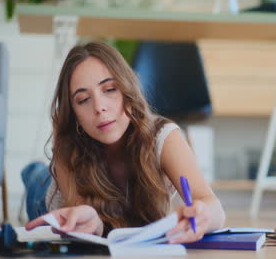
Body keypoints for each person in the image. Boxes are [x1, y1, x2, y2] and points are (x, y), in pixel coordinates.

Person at [22, 41, 225, 244]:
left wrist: (203, 214)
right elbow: (88, 225)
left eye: (109, 89)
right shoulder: (68, 147)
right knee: (36, 178)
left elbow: (214, 208)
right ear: (74, 115)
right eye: (83, 99)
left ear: (128, 90)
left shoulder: (164, 137)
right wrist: (91, 221)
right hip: (45, 199)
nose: (99, 107)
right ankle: (33, 170)